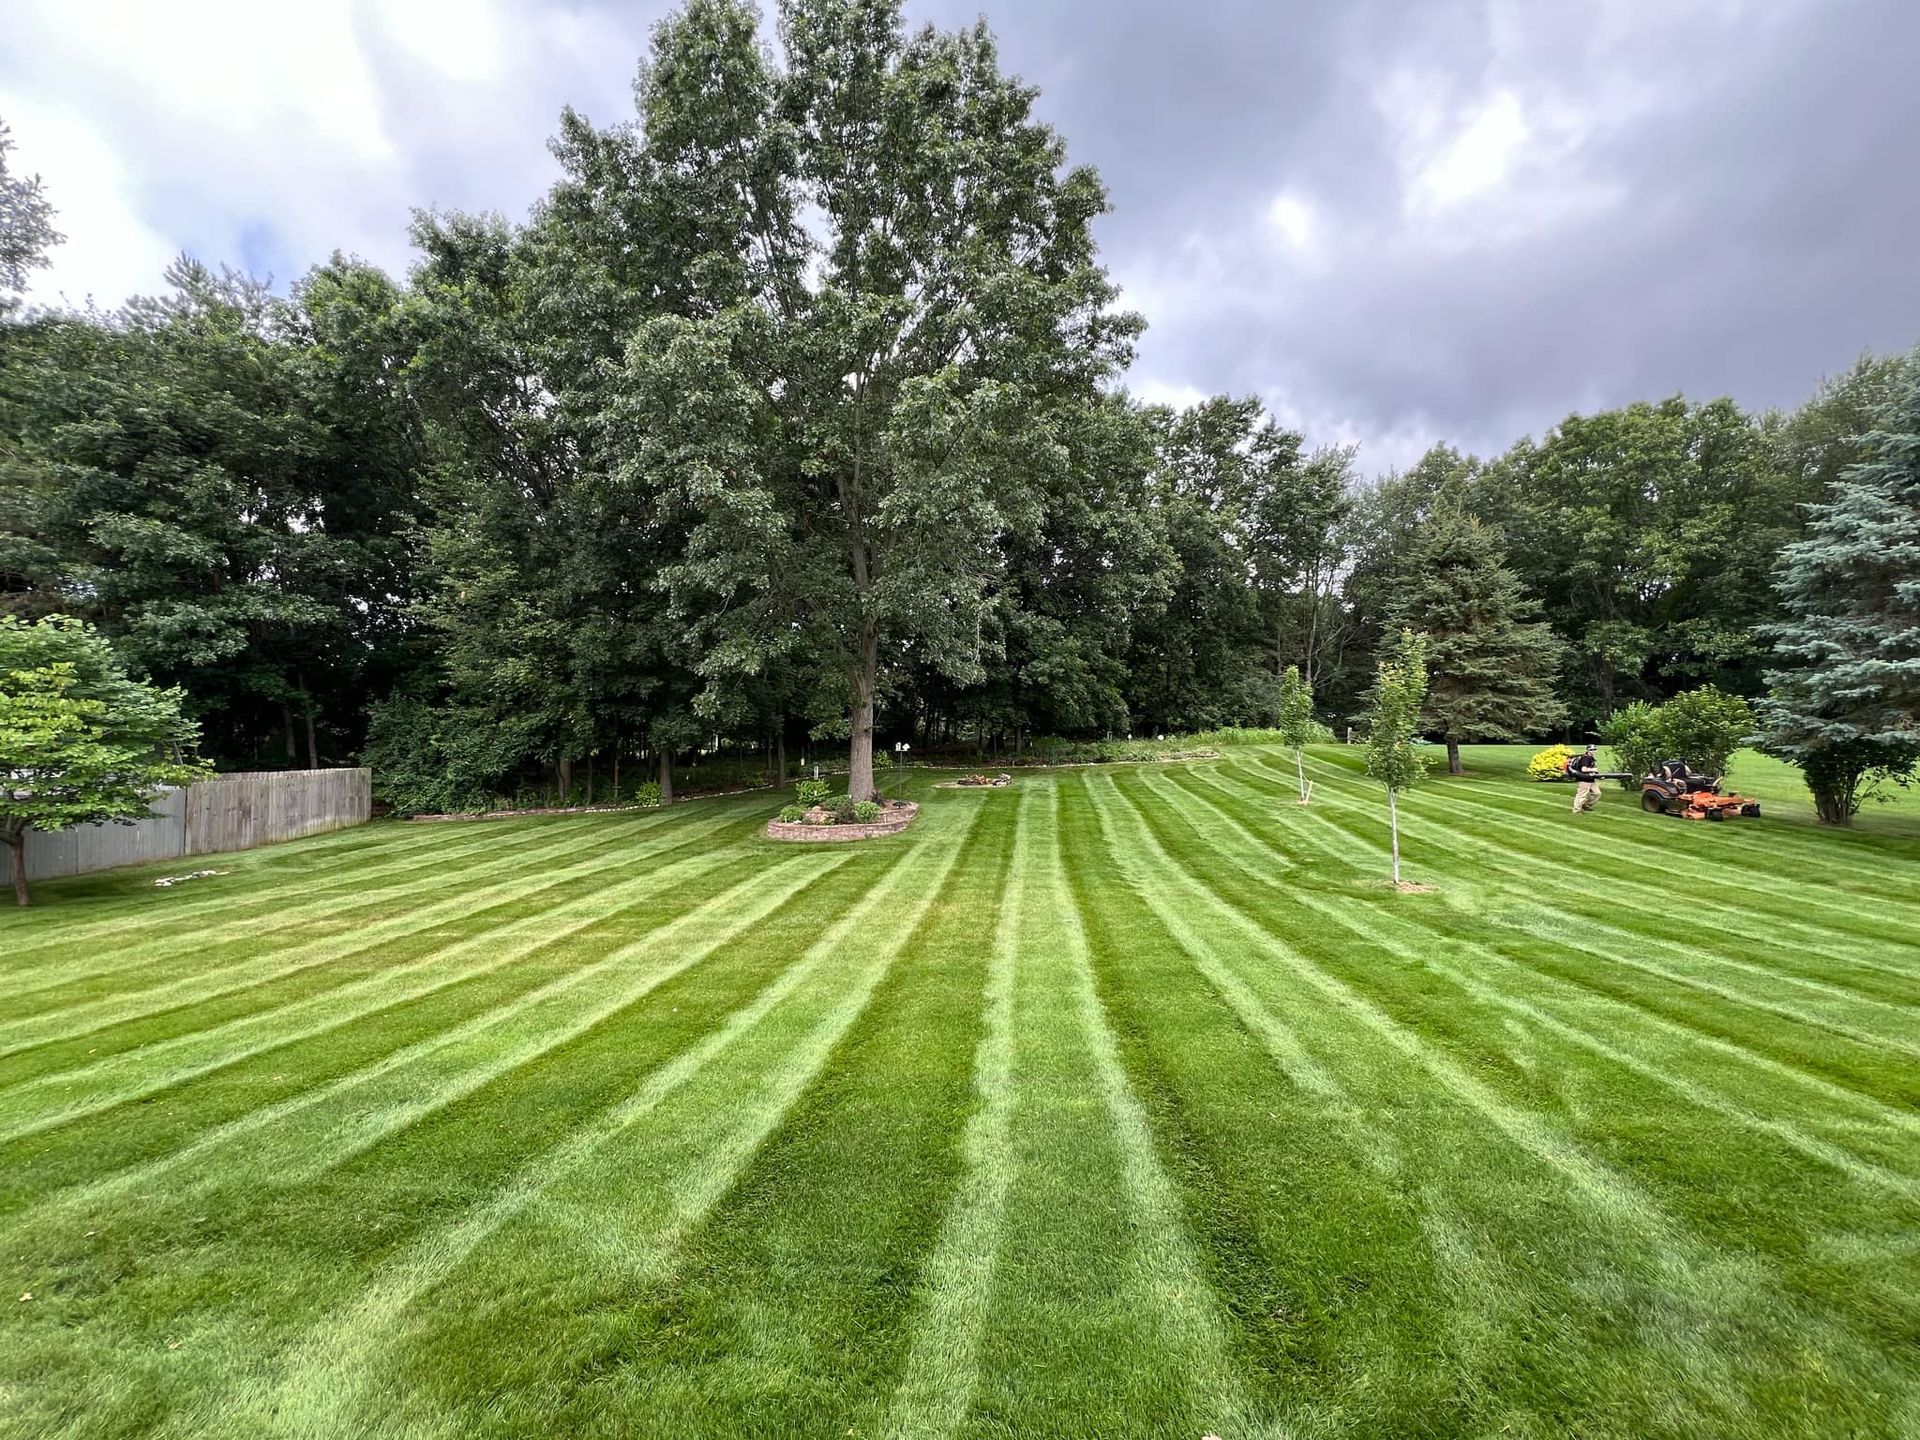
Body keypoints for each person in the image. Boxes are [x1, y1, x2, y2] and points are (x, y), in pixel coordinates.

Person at [1568, 743, 1602, 814]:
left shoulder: (1591, 758)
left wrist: (1598, 775)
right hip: (1584, 779)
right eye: (1591, 750)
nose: (1593, 751)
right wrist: (1594, 770)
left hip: (1591, 779)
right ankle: (1576, 810)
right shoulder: (1586, 758)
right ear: (1588, 750)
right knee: (1582, 795)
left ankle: (1586, 805)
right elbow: (1584, 769)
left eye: (1594, 749)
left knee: (1597, 793)